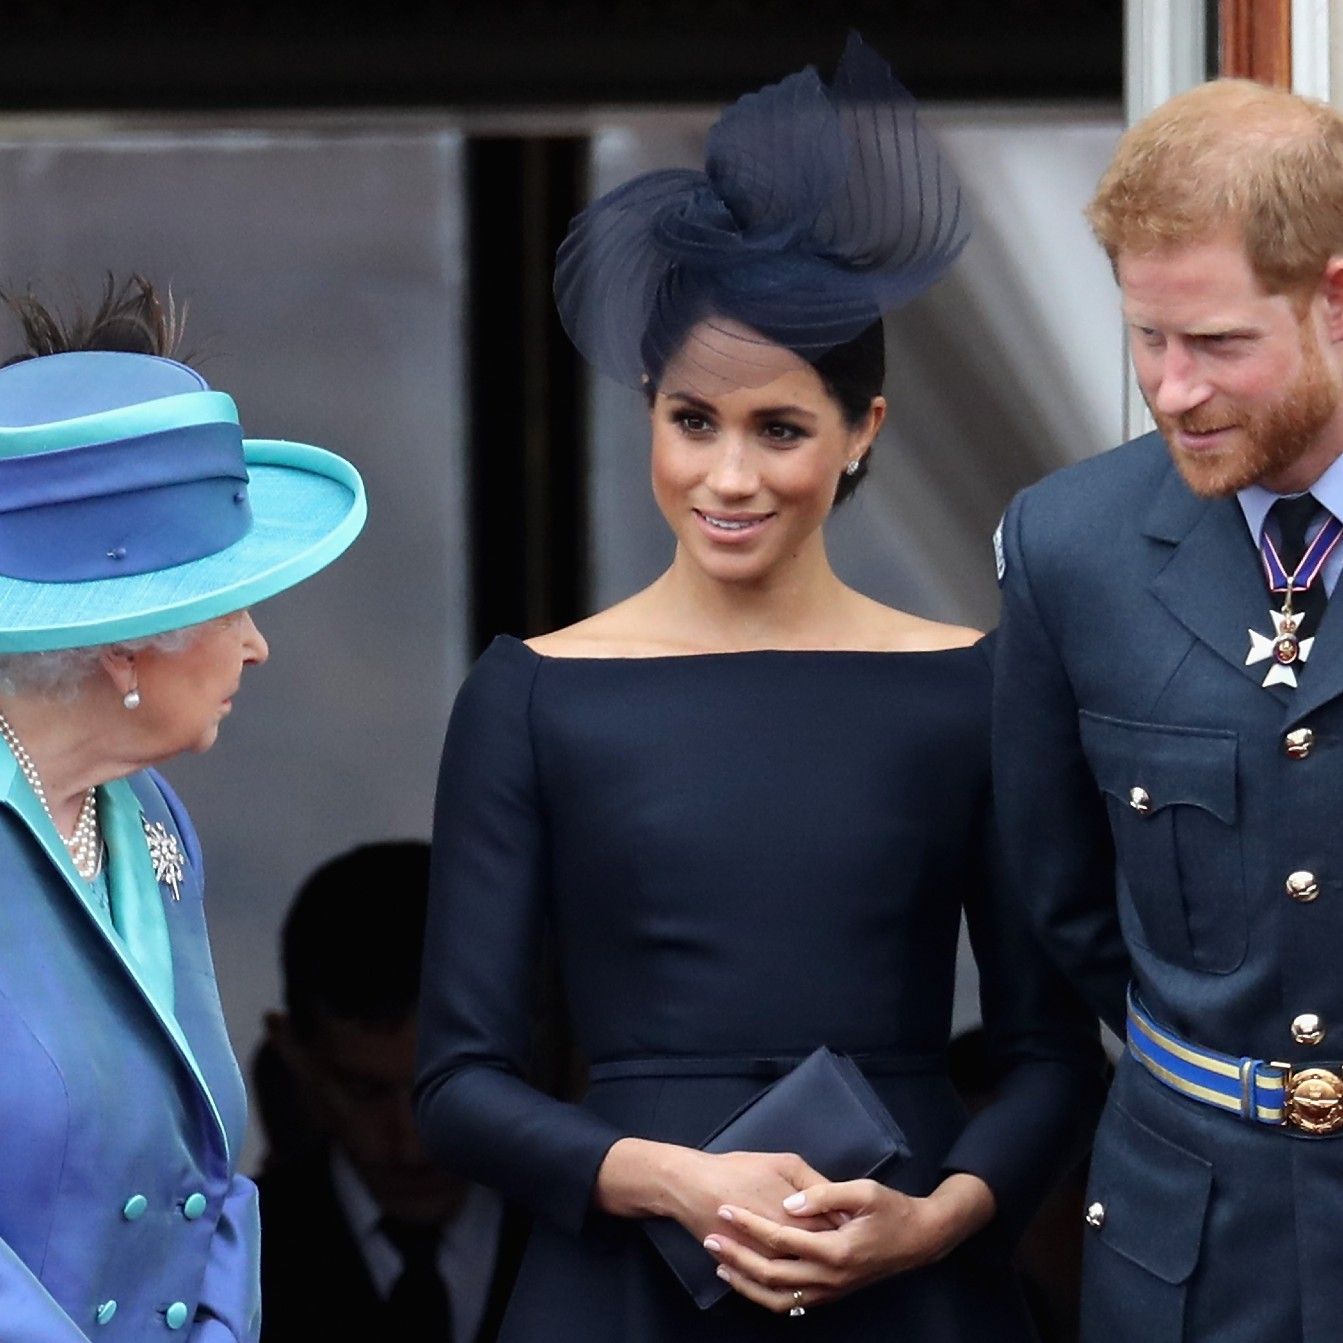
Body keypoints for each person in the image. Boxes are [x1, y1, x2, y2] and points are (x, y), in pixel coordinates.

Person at [417, 35, 1105, 1341]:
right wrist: (669, 1177)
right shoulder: (532, 693)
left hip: (902, 1280)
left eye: (777, 428)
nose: (726, 476)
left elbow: (1050, 1052)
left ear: (861, 432)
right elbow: (456, 1082)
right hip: (620, 1282)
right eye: (693, 420)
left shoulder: (972, 686)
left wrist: (938, 1216)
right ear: (647, 408)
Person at [992, 80, 1343, 1343]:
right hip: (1192, 1245)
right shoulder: (1066, 544)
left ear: (1334, 298)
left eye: (1215, 343)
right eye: (1145, 338)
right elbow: (1059, 896)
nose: (1171, 388)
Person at [0, 277, 365, 1342]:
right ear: (127, 639)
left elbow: (204, 1181)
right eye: (229, 602)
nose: (256, 644)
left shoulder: (147, 817)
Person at [257, 841, 524, 1343]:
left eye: (441, 1089)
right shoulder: (226, 1263)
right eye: (364, 1091)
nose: (410, 1144)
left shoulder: (601, 1248)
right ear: (294, 1052)